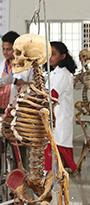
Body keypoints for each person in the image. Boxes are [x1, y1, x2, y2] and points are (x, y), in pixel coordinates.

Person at [0, 31, 32, 187]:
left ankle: (19, 187)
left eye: (9, 49)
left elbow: (34, 88)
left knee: (18, 154)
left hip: (17, 114)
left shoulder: (27, 66)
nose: (5, 52)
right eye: (3, 48)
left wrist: (15, 81)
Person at [45, 41, 77, 171]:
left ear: (63, 56)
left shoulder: (63, 74)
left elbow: (52, 96)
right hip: (52, 121)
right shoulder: (54, 73)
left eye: (53, 54)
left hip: (59, 121)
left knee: (56, 165)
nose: (49, 57)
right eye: (48, 54)